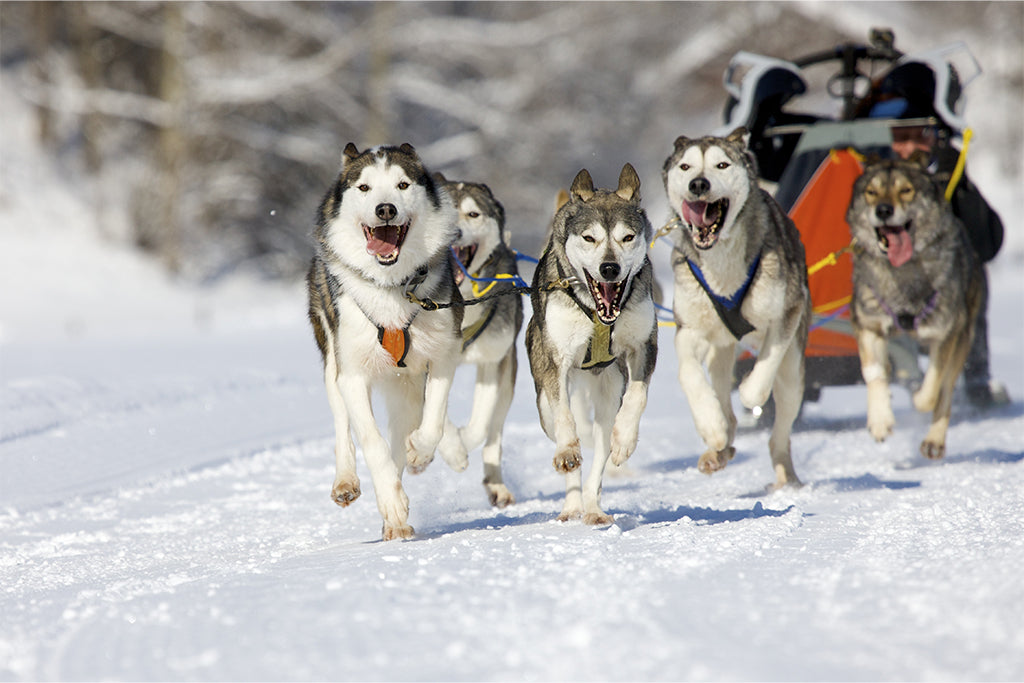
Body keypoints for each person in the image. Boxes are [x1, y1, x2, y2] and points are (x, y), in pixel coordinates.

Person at [864, 61, 1008, 408]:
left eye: (914, 137)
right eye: (898, 139)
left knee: (971, 275)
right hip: (883, 282)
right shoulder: (870, 175)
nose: (905, 148)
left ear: (930, 136)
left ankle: (974, 378)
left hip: (938, 284)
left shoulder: (946, 172)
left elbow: (984, 241)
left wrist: (953, 178)